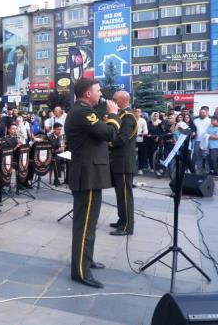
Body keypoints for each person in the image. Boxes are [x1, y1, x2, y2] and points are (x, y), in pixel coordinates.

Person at [64, 78, 120, 289]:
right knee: (84, 226)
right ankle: (80, 271)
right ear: (87, 93)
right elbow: (109, 133)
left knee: (89, 225)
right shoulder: (82, 112)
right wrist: (113, 114)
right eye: (97, 91)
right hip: (86, 177)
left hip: (90, 175)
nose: (100, 94)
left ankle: (85, 260)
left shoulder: (86, 111)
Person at [109, 91, 137, 237]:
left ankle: (127, 226)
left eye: (114, 99)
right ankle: (122, 220)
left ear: (123, 100)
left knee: (125, 195)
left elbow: (122, 139)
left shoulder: (128, 117)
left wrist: (107, 141)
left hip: (124, 162)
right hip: (118, 161)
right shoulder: (121, 115)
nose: (112, 101)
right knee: (120, 194)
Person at [192, 108, 211, 174]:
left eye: (203, 112)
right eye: (200, 112)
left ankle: (207, 169)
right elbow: (193, 129)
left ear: (206, 113)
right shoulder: (195, 120)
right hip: (197, 140)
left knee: (205, 155)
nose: (202, 114)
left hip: (205, 141)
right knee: (197, 155)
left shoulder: (210, 120)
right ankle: (199, 168)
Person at [134, 108, 148, 174]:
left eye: (138, 111)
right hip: (132, 139)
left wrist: (144, 133)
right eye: (136, 111)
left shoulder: (143, 121)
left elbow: (145, 130)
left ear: (141, 113)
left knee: (141, 154)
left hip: (140, 138)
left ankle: (140, 168)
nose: (137, 112)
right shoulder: (132, 120)